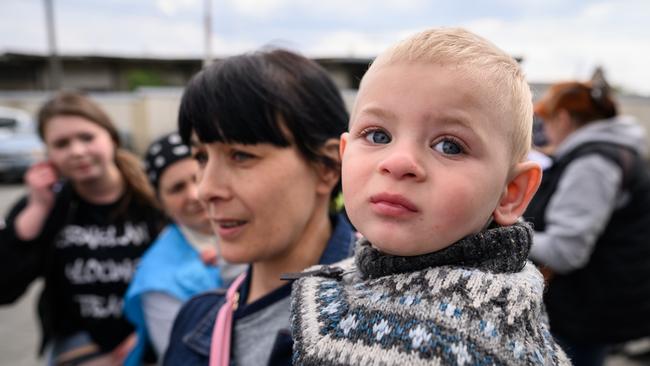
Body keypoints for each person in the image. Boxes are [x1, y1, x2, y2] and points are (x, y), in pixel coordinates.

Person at [290, 27, 570, 365]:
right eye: (377, 135)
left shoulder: (462, 344)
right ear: (345, 153)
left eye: (449, 146)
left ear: (510, 193)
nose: (398, 162)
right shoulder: (372, 267)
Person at [163, 49, 356, 366]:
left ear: (327, 166)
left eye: (240, 155)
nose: (205, 190)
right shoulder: (196, 322)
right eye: (200, 157)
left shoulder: (389, 324)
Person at [0, 92, 165, 365]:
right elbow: (4, 289)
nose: (77, 151)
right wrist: (35, 213)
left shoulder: (152, 197)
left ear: (111, 138)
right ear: (48, 153)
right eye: (62, 143)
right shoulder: (47, 203)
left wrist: (146, 335)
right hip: (77, 347)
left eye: (87, 138)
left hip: (152, 338)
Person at [524, 79, 650, 365]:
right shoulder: (613, 148)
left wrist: (509, 231)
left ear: (563, 118)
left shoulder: (593, 163)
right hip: (604, 298)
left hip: (587, 309)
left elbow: (565, 252)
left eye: (547, 119)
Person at [123, 132, 246, 365]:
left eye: (197, 177)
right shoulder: (157, 279)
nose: (194, 194)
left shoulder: (263, 228)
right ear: (160, 202)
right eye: (177, 188)